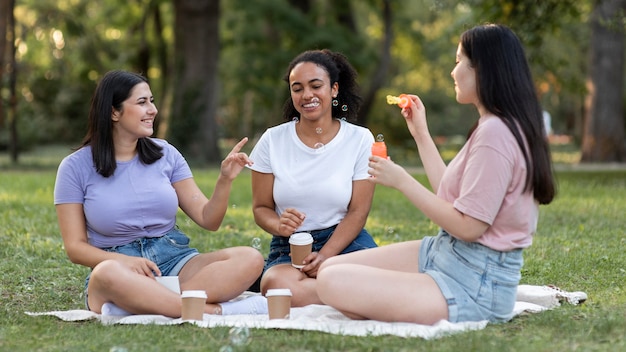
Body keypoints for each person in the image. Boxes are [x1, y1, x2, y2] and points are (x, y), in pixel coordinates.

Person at [316, 24, 556, 325]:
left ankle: (402, 300)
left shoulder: (496, 132)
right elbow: (454, 197)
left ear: (481, 68)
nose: (453, 72)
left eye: (458, 61)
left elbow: (469, 227)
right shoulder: (494, 125)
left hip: (476, 284)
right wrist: (421, 134)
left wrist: (402, 181)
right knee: (329, 271)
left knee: (331, 282)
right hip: (449, 254)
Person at [54, 70, 267, 317]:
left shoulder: (166, 154)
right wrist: (127, 262)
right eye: (142, 102)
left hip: (175, 259)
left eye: (152, 101)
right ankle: (215, 311)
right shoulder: (74, 167)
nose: (153, 110)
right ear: (114, 112)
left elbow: (209, 219)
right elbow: (75, 248)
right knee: (105, 274)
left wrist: (225, 179)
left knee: (250, 258)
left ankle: (144, 303)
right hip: (119, 265)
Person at [248, 49, 379, 307]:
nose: (306, 95)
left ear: (334, 90)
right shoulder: (272, 140)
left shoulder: (360, 139)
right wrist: (279, 225)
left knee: (389, 271)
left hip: (345, 240)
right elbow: (261, 208)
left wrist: (326, 256)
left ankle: (338, 290)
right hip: (291, 246)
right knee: (274, 285)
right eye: (297, 88)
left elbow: (358, 211)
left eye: (315, 85)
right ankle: (360, 295)